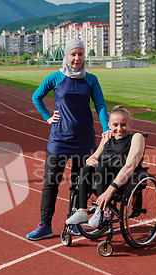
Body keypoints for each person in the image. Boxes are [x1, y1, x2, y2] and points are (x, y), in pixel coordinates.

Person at [26, 38, 110, 241]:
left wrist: (106, 128)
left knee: (80, 183)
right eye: (73, 54)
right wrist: (47, 117)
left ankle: (73, 224)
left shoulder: (91, 80)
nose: (77, 58)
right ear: (66, 55)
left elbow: (100, 105)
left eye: (80, 54)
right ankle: (45, 225)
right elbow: (36, 96)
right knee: (51, 183)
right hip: (59, 140)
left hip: (84, 140)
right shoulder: (55, 77)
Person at [65, 106, 145, 228]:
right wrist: (91, 160)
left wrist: (109, 191)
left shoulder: (136, 137)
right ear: (109, 125)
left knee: (101, 166)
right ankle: (82, 210)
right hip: (101, 176)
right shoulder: (107, 138)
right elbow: (93, 157)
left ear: (130, 124)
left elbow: (130, 166)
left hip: (121, 180)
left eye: (123, 125)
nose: (119, 129)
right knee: (86, 168)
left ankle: (99, 211)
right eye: (115, 125)